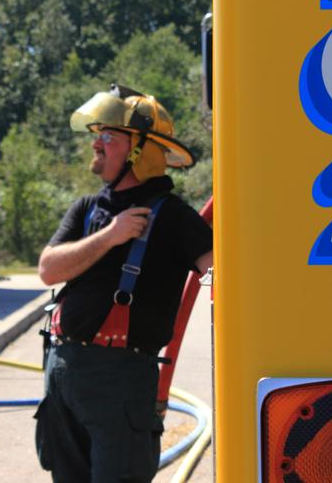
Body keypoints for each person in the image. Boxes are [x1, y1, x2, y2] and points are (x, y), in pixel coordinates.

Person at [35, 84, 213, 483]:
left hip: (122, 380)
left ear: (141, 152)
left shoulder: (173, 218)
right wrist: (111, 236)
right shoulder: (86, 209)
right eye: (96, 135)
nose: (97, 144)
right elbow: (48, 269)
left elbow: (220, 272)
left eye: (108, 136)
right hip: (63, 370)